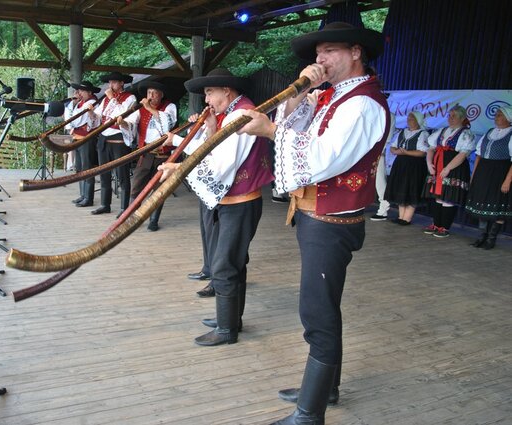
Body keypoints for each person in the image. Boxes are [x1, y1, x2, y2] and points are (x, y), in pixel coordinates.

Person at [238, 22, 391, 425]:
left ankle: (310, 414)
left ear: (356, 52)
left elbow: (322, 156)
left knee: (317, 313)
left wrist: (269, 130)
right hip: (316, 217)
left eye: (328, 51)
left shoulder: (363, 104)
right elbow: (296, 126)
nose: (318, 60)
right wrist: (302, 89)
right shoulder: (332, 95)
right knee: (323, 308)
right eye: (317, 53)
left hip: (332, 222)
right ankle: (324, 388)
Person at [159, 67, 274, 346]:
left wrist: (179, 168)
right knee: (235, 262)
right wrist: (210, 128)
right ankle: (231, 319)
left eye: (210, 92)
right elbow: (214, 151)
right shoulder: (230, 114)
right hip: (235, 200)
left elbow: (221, 165)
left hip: (240, 201)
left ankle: (226, 329)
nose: (207, 99)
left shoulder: (240, 115)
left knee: (224, 264)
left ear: (227, 90)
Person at [118, 80, 177, 231]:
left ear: (161, 95)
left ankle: (153, 220)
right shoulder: (141, 109)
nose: (150, 96)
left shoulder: (169, 107)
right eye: (149, 92)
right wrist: (123, 123)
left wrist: (149, 108)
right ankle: (131, 218)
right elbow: (131, 124)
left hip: (163, 156)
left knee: (159, 189)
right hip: (146, 154)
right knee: (136, 186)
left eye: (154, 92)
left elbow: (167, 125)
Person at [87, 71, 136, 216]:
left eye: (114, 82)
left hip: (118, 140)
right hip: (104, 139)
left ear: (121, 83)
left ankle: (124, 207)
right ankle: (105, 204)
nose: (111, 85)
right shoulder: (106, 100)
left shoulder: (130, 98)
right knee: (104, 173)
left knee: (122, 174)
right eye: (110, 82)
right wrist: (91, 114)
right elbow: (99, 117)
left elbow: (121, 114)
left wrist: (111, 98)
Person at [422, 105, 476, 238]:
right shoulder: (442, 131)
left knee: (448, 198)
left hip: (454, 167)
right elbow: (431, 148)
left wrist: (448, 168)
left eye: (454, 116)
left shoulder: (465, 133)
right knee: (438, 198)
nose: (451, 118)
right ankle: (436, 224)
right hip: (438, 165)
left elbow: (463, 154)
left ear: (462, 118)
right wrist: (429, 163)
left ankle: (444, 227)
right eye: (449, 115)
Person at [465, 106, 512, 249]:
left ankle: (491, 239)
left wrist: (507, 180)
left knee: (497, 206)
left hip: (500, 172)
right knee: (482, 203)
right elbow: (478, 155)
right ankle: (481, 236)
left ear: (508, 118)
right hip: (484, 172)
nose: (496, 117)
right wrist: (474, 175)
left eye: (499, 115)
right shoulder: (489, 132)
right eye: (496, 114)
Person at [383, 111, 430, 224]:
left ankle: (407, 218)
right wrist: (398, 151)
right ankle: (401, 217)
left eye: (412, 118)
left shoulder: (423, 134)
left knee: (411, 188)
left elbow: (423, 153)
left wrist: (406, 152)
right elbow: (392, 148)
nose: (409, 120)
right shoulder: (402, 132)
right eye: (408, 118)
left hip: (415, 165)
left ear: (418, 120)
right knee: (402, 187)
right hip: (401, 163)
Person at [66, 81, 101, 207]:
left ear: (89, 92)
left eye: (81, 91)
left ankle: (88, 197)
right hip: (78, 137)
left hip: (86, 138)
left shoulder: (91, 102)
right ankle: (83, 194)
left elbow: (78, 120)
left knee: (87, 168)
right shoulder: (80, 103)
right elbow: (71, 119)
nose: (79, 93)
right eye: (78, 91)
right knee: (80, 167)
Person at [370, 112, 395, 221]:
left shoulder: (388, 115)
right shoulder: (370, 111)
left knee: (379, 180)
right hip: (364, 151)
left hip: (377, 151)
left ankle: (383, 209)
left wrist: (379, 151)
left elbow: (387, 137)